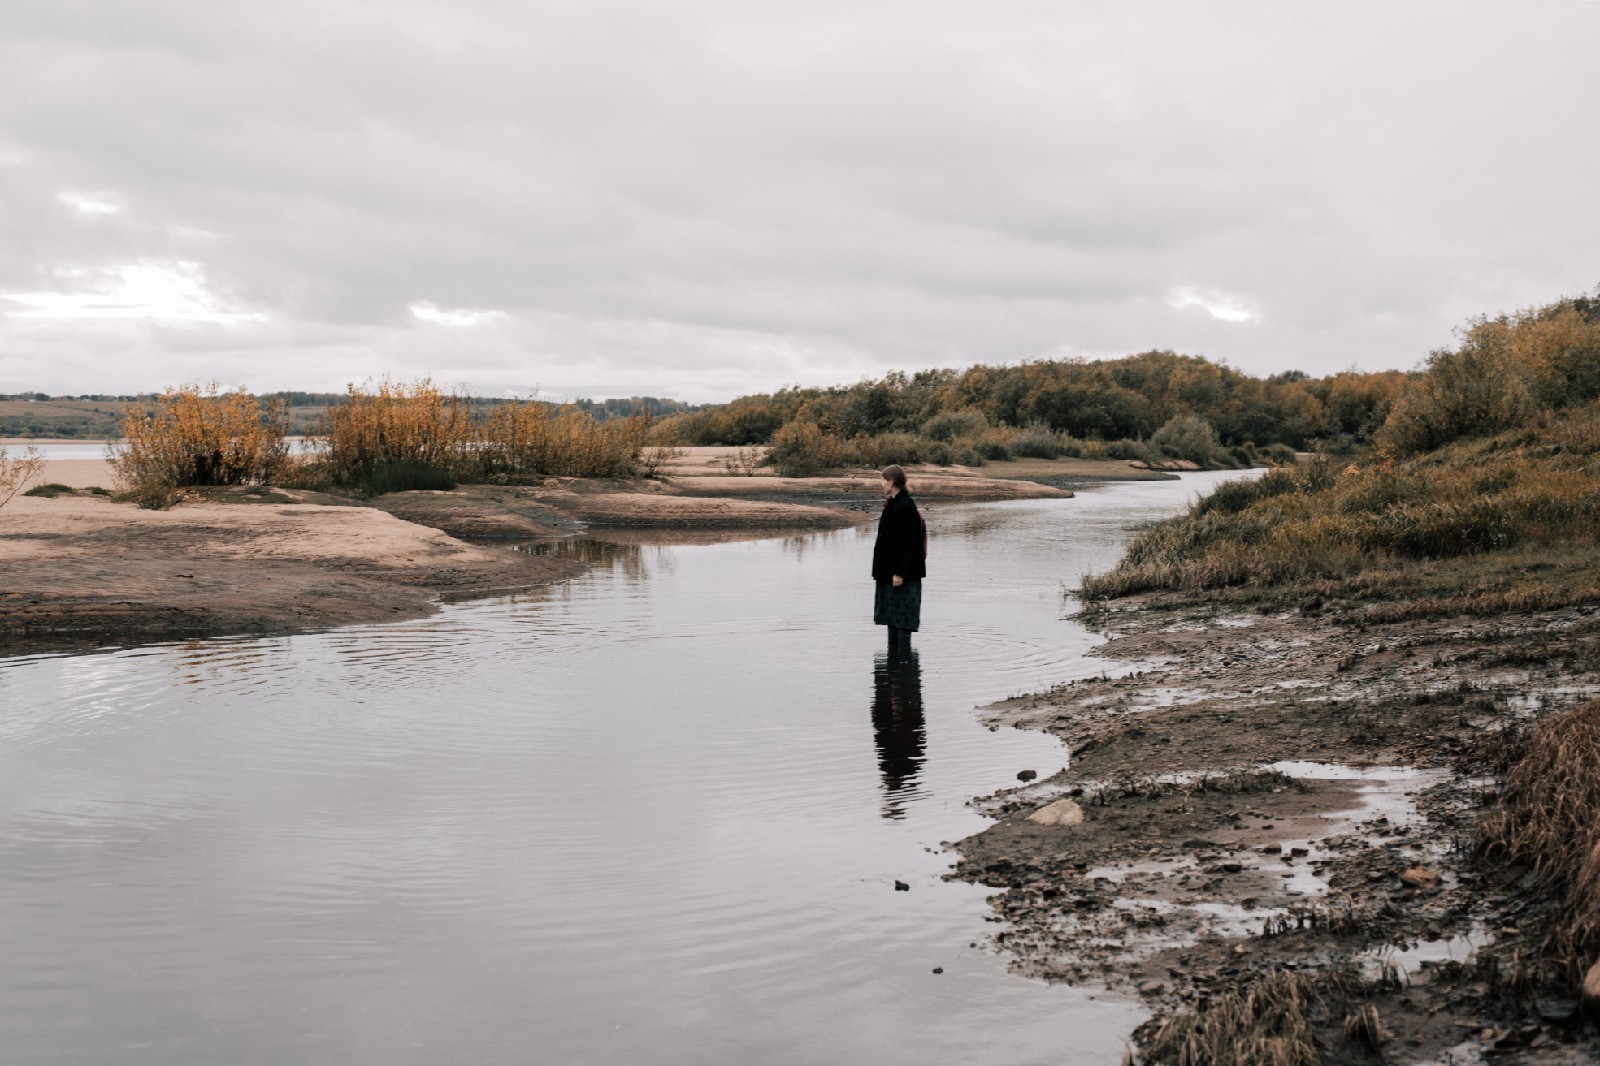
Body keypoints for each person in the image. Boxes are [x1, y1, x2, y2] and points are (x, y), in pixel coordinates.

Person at [871, 464, 925, 647]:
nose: (881, 483)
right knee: (892, 618)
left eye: (883, 479)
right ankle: (893, 666)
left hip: (902, 574)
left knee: (902, 620)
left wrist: (899, 573)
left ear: (891, 482)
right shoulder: (894, 503)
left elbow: (906, 544)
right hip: (889, 572)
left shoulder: (905, 506)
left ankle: (903, 668)